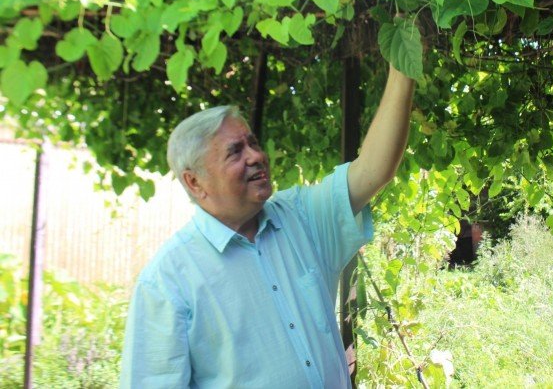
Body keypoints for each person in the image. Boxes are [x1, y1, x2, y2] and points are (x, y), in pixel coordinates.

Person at [120, 64, 414, 388]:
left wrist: (403, 63)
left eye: (253, 143)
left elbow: (373, 169)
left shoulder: (301, 218)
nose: (256, 156)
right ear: (195, 182)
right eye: (235, 152)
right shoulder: (167, 282)